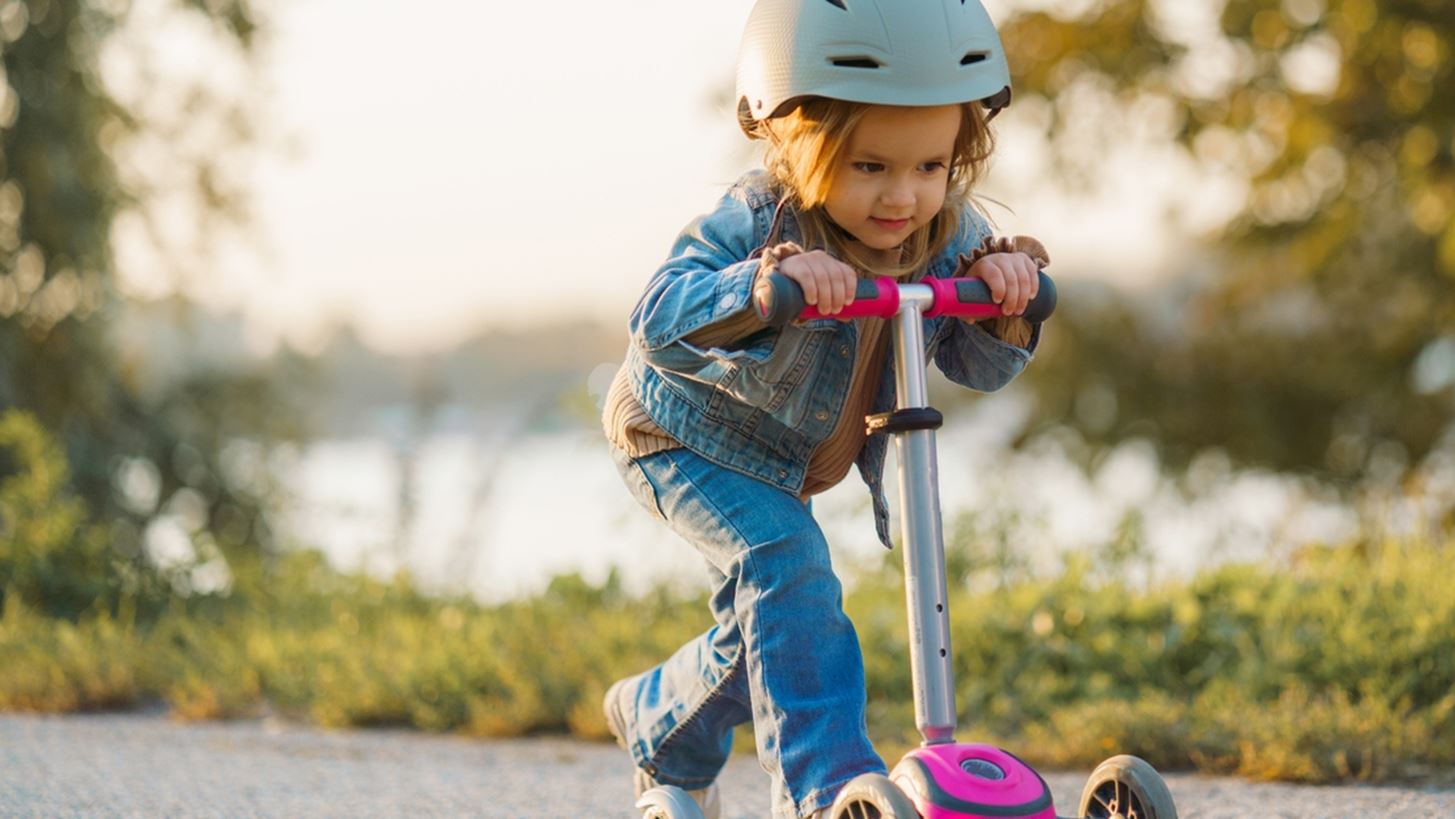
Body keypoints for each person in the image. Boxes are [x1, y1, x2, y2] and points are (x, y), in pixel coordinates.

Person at [599, 1, 1050, 816]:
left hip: (784, 457)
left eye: (928, 166)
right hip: (679, 434)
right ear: (798, 142)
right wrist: (764, 286)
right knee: (787, 563)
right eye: (869, 166)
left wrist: (1003, 296)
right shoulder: (756, 215)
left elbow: (972, 364)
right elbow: (656, 314)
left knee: (771, 625)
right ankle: (826, 788)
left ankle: (657, 723)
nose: (902, 197)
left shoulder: (947, 230)